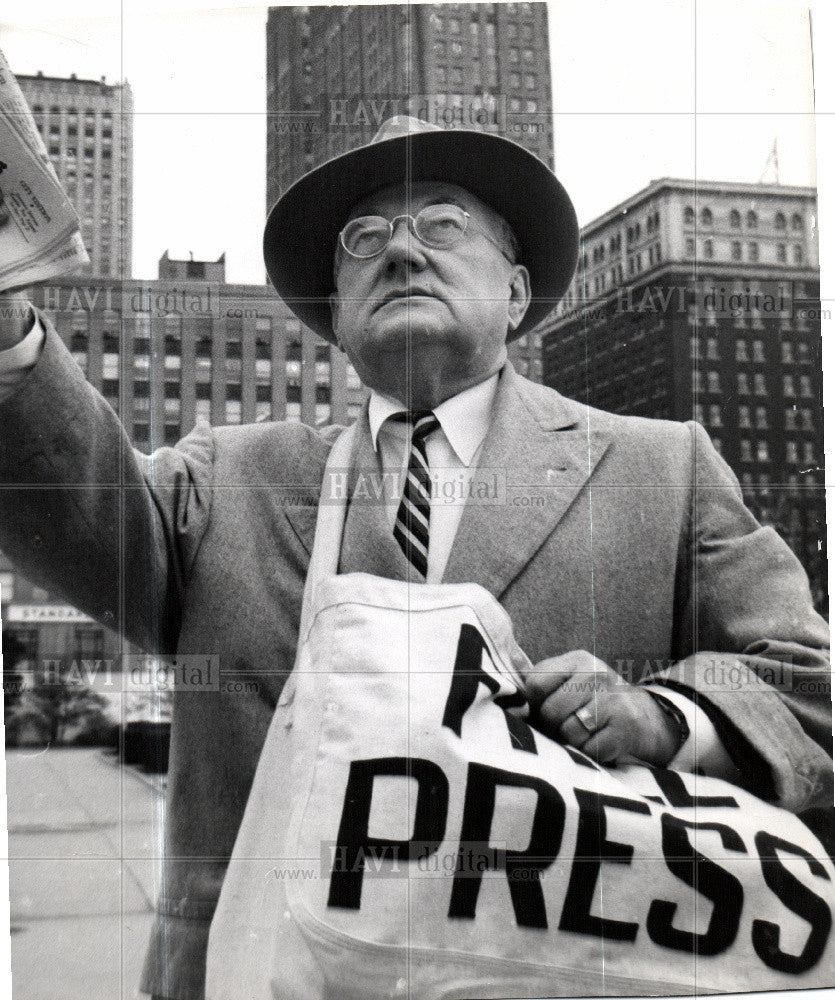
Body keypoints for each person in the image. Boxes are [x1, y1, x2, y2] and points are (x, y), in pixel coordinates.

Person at [0, 116, 830, 1000]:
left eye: (441, 223)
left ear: (515, 294)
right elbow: (75, 508)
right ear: (333, 316)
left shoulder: (660, 468)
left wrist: (664, 718)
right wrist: (7, 316)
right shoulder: (229, 478)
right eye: (364, 239)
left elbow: (804, 681)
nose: (399, 252)